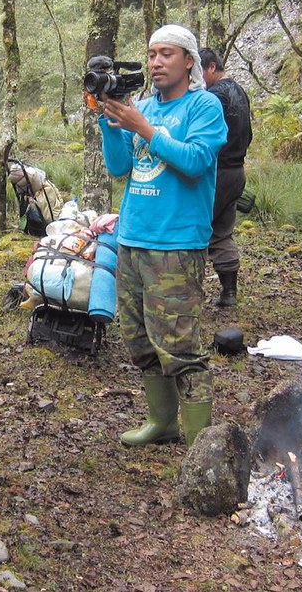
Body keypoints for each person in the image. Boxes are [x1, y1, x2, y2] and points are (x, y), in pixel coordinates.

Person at [98, 24, 228, 447]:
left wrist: (146, 129)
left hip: (176, 243)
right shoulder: (145, 108)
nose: (156, 62)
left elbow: (195, 162)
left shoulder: (204, 107)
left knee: (182, 346)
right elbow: (121, 168)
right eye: (152, 54)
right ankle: (162, 422)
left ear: (189, 61)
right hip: (133, 238)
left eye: (166, 54)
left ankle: (200, 442)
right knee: (138, 338)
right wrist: (110, 122)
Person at [199, 47, 253, 308]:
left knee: (195, 227)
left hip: (216, 172)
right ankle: (229, 293)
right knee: (221, 232)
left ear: (211, 67)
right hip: (237, 172)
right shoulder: (240, 92)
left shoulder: (213, 97)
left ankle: (187, 293)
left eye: (199, 71)